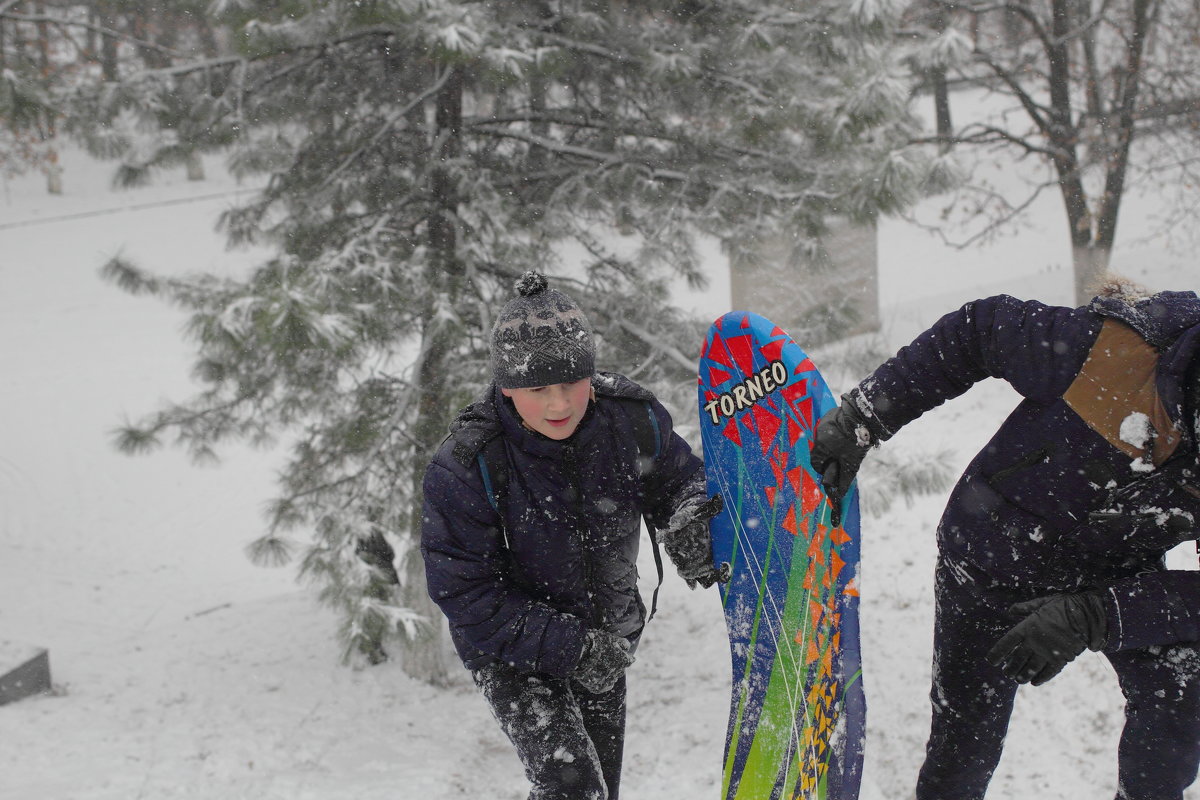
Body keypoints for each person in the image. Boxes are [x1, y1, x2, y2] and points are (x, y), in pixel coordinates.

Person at [811, 279, 1200, 800]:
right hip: (992, 553)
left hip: (1117, 567)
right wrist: (864, 416)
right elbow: (979, 330)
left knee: (1182, 691)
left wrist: (1095, 616)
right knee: (965, 744)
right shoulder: (1114, 351)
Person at [421, 271, 721, 800]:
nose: (559, 404)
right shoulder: (469, 464)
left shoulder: (628, 422)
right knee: (573, 786)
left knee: (601, 788)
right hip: (508, 652)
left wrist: (690, 517)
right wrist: (570, 646)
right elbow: (464, 592)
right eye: (538, 389)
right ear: (508, 386)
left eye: (571, 384)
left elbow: (677, 478)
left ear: (590, 374)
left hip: (606, 633)